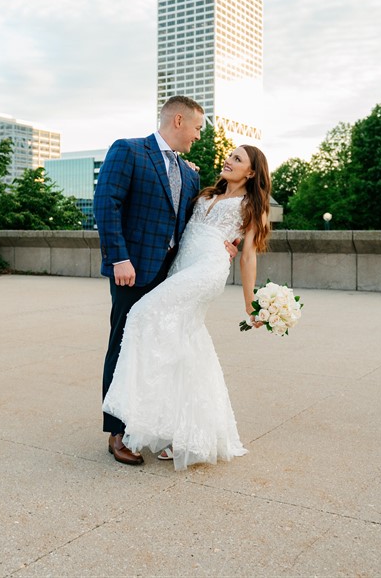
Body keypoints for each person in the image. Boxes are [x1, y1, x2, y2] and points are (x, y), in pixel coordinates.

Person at [102, 144, 271, 470]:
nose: (229, 160)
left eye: (237, 159)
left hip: (207, 270)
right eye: (230, 155)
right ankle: (178, 430)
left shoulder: (253, 205)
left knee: (141, 314)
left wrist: (251, 303)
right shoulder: (206, 192)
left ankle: (133, 417)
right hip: (181, 265)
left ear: (251, 172)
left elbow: (248, 255)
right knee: (181, 340)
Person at [93, 96, 237, 466]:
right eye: (197, 128)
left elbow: (195, 221)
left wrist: (225, 243)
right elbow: (106, 203)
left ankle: (154, 423)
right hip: (133, 270)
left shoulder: (190, 173)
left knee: (166, 349)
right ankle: (118, 432)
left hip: (174, 274)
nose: (198, 137)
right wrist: (119, 258)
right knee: (124, 344)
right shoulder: (128, 151)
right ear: (178, 121)